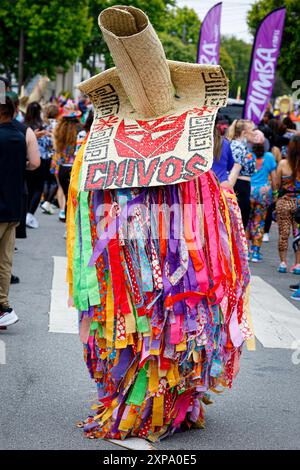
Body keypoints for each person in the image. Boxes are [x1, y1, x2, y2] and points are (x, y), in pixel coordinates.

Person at [67, 5, 253, 442]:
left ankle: (162, 404)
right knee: (142, 326)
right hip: (131, 260)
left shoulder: (194, 167)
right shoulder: (101, 154)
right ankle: (153, 404)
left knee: (162, 323)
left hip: (168, 259)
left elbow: (208, 216)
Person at [0, 96, 40, 328]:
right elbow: (34, 163)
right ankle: (3, 307)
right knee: (5, 262)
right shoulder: (22, 134)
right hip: (14, 207)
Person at [246, 131, 277, 262]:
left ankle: (246, 251)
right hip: (264, 193)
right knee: (259, 222)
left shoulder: (247, 155)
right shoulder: (269, 156)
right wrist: (275, 192)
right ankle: (256, 252)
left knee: (247, 221)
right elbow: (274, 178)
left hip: (249, 191)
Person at [52, 100, 82, 221]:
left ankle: (63, 214)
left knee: (65, 193)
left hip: (62, 167)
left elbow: (55, 148)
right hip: (75, 167)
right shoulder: (80, 130)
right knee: (75, 197)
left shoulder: (58, 130)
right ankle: (71, 226)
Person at [25, 101, 52, 228]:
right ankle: (30, 214)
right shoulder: (44, 126)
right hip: (42, 160)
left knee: (28, 187)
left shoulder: (24, 126)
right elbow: (49, 144)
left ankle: (25, 213)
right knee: (38, 188)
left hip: (27, 159)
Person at [276, 136, 300, 273]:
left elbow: (278, 183)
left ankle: (283, 263)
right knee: (298, 233)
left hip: (284, 201)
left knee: (283, 233)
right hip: (299, 203)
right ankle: (298, 264)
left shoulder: (283, 163)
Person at [227, 119, 257, 228]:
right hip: (239, 188)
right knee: (238, 227)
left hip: (242, 188)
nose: (255, 132)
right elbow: (234, 171)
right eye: (253, 130)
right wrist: (228, 192)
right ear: (244, 133)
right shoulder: (238, 147)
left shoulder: (240, 146)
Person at [40, 103, 60, 215]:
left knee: (46, 180)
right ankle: (47, 202)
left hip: (44, 155)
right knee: (54, 181)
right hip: (54, 155)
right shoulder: (57, 124)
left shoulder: (44, 124)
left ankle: (44, 201)